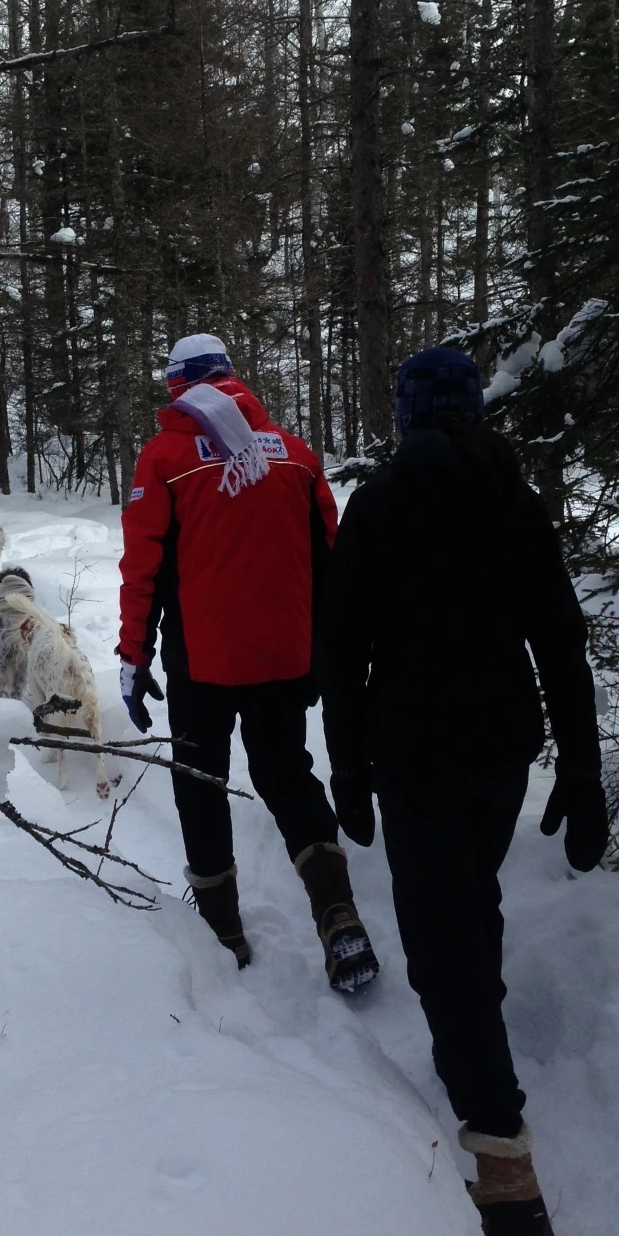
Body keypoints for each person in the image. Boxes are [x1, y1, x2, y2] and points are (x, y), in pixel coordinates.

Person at [320, 346, 608, 1236]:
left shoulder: (380, 505)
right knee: (464, 910)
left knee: (442, 944)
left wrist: (347, 766)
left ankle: (500, 1155)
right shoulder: (515, 504)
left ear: (408, 418)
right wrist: (582, 768)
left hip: (415, 757)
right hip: (496, 758)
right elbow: (561, 644)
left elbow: (341, 654)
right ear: (476, 413)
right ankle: (472, 1038)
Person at [117, 333, 379, 993]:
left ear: (179, 389)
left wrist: (132, 653)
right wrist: (327, 648)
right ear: (234, 380)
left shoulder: (168, 456)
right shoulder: (294, 453)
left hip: (202, 661)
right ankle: (338, 914)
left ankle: (221, 930)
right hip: (286, 655)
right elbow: (331, 561)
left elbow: (143, 567)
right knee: (287, 775)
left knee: (200, 782)